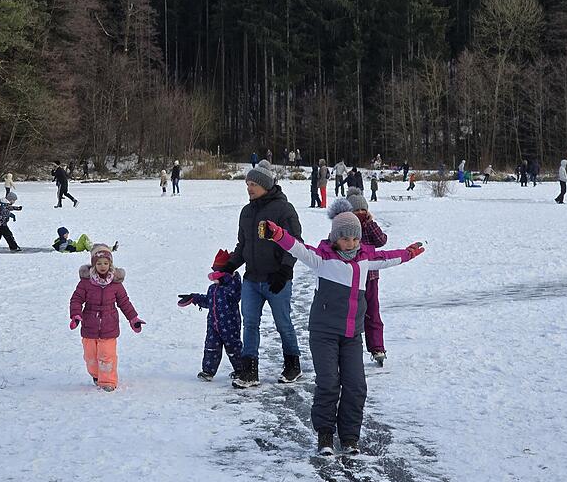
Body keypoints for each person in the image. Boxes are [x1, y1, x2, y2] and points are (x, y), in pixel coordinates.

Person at [259, 199, 424, 455]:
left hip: (352, 335)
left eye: (355, 239)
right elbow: (296, 247)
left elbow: (388, 257)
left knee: (357, 386)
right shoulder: (322, 259)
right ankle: (325, 435)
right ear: (335, 238)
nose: (352, 243)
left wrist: (409, 253)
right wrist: (278, 234)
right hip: (323, 334)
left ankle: (349, 437)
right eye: (346, 239)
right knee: (328, 383)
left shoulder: (364, 260)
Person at [218, 160, 303, 389]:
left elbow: (295, 244)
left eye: (254, 184)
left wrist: (285, 271)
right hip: (252, 280)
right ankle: (249, 371)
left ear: (266, 185)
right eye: (247, 184)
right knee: (250, 324)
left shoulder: (284, 210)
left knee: (283, 323)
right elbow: (243, 246)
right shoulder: (246, 212)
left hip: (277, 279)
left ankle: (293, 364)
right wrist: (229, 266)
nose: (249, 188)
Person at [69, 243, 145, 391]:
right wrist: (76, 315)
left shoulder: (115, 284)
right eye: (99, 263)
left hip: (109, 324)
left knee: (107, 355)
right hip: (89, 323)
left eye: (106, 263)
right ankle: (96, 374)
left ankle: (108, 381)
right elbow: (76, 299)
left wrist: (133, 319)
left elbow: (124, 302)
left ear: (110, 263)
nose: (102, 266)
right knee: (90, 356)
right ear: (93, 264)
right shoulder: (86, 283)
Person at [177, 249, 244, 382]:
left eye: (217, 272)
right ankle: (208, 371)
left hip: (230, 325)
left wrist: (229, 277)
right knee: (211, 347)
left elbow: (237, 290)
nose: (213, 276)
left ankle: (241, 370)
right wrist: (193, 298)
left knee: (234, 347)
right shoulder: (212, 289)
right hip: (213, 325)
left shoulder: (232, 286)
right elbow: (208, 301)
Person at [346, 188, 389, 365]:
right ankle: (347, 345)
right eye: (356, 210)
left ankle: (377, 347)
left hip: (370, 277)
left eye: (363, 210)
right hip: (350, 279)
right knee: (350, 313)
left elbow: (381, 241)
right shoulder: (345, 226)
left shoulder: (369, 227)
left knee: (372, 311)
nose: (360, 213)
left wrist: (370, 223)